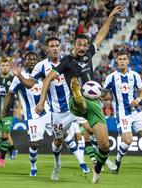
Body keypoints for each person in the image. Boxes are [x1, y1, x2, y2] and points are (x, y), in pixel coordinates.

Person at [35, 6, 124, 183]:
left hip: (93, 103)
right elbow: (47, 79)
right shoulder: (66, 61)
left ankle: (97, 167)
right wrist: (41, 100)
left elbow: (101, 35)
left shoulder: (89, 54)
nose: (83, 47)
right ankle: (77, 92)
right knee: (59, 139)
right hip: (73, 104)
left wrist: (110, 17)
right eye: (79, 44)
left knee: (105, 145)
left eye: (85, 45)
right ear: (74, 45)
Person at [10, 37, 90, 181]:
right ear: (47, 49)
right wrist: (19, 75)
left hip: (73, 106)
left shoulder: (69, 61)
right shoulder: (41, 66)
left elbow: (80, 80)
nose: (54, 48)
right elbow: (29, 84)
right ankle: (56, 163)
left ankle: (85, 162)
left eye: (57, 45)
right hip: (57, 112)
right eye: (51, 46)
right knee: (58, 140)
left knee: (89, 129)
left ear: (60, 47)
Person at [1, 52, 52, 176]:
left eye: (35, 59)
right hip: (32, 115)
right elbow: (10, 93)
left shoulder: (43, 74)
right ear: (26, 61)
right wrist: (4, 111)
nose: (32, 61)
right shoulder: (19, 76)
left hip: (48, 111)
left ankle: (80, 163)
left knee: (63, 135)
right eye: (30, 59)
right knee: (34, 144)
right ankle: (33, 166)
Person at [0, 56, 18, 167]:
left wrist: (19, 108)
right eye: (3, 65)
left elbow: (19, 95)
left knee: (5, 135)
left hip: (9, 112)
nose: (5, 67)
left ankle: (2, 158)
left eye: (6, 65)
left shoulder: (14, 79)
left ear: (9, 67)